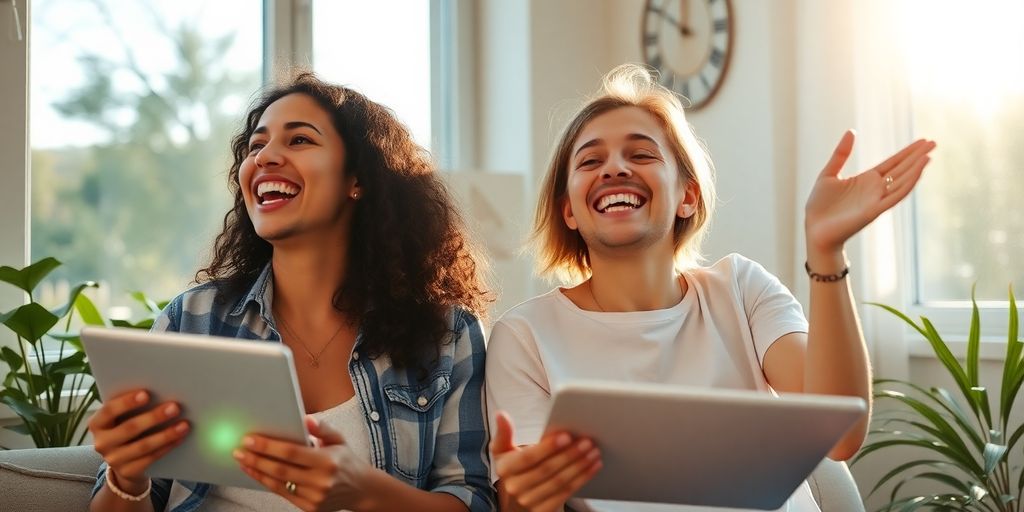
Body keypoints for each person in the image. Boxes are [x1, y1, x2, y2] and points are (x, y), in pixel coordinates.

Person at [485, 64, 935, 512]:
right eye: (589, 160)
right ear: (569, 211)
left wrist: (826, 249)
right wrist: (524, 496)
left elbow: (840, 436)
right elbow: (524, 500)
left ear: (688, 196)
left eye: (641, 155)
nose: (614, 168)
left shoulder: (741, 288)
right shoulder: (524, 335)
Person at [87, 73, 496, 512]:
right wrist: (126, 474)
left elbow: (470, 498)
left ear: (357, 179)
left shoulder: (445, 333)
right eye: (255, 146)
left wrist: (364, 491)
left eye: (299, 140)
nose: (265, 158)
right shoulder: (193, 318)